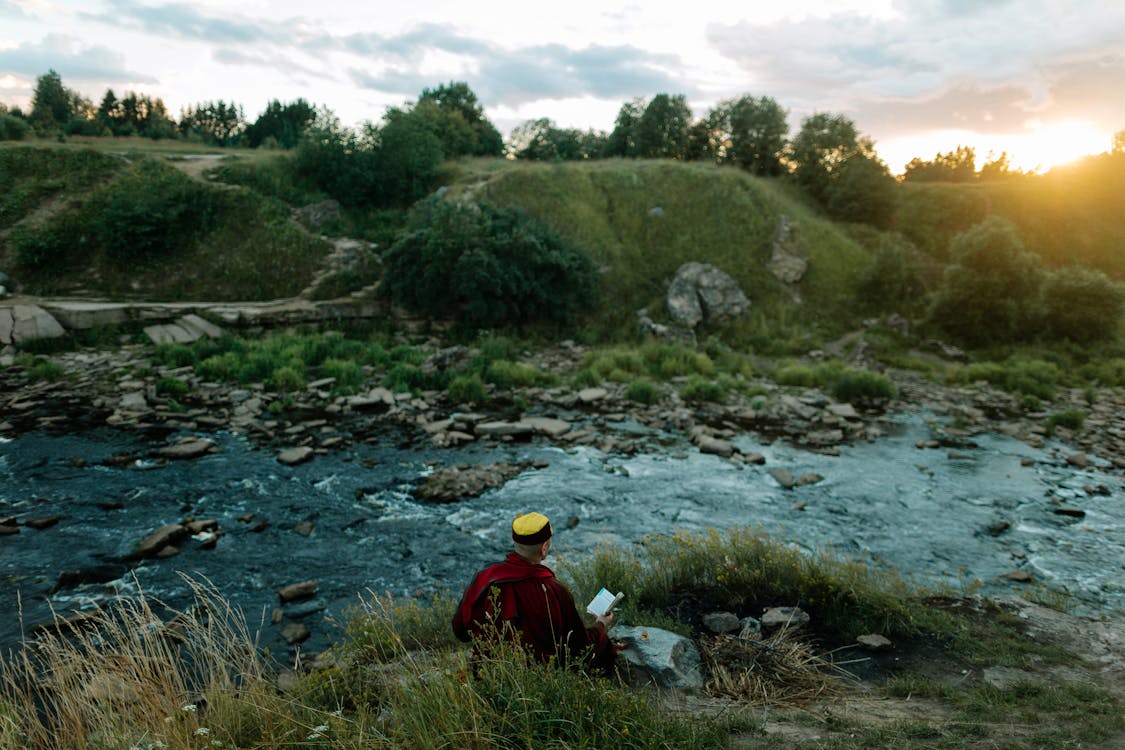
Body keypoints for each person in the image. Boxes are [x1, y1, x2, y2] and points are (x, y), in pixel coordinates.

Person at [452, 511, 616, 674]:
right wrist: (601, 624)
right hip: (540, 677)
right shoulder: (555, 590)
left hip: (490, 674)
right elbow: (580, 648)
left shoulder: (485, 578)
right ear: (544, 548)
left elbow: (461, 631)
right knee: (604, 648)